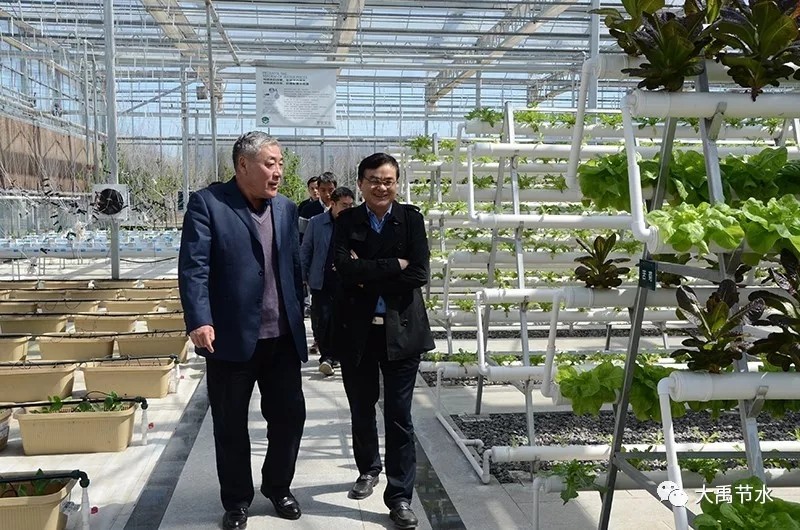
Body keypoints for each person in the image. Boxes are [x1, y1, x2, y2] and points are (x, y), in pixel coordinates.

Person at [178, 131, 307, 529]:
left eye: (280, 163)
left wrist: (303, 316)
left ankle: (278, 486)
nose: (278, 172)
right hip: (231, 337)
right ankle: (236, 500)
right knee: (230, 424)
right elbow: (194, 267)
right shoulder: (209, 204)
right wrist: (199, 318)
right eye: (270, 163)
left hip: (281, 337)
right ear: (243, 165)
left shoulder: (285, 208)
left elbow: (293, 268)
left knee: (290, 417)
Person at [333, 153, 434, 529]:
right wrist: (394, 265)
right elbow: (343, 270)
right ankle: (368, 470)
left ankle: (400, 496)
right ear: (360, 183)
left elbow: (419, 273)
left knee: (399, 415)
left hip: (402, 331)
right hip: (358, 332)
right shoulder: (347, 221)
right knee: (361, 407)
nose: (381, 187)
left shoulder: (410, 219)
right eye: (374, 180)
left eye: (388, 181)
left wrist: (366, 274)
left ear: (397, 184)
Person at [300, 186, 355, 376]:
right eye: (344, 205)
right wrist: (302, 277)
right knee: (322, 320)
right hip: (321, 280)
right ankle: (327, 357)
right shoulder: (316, 223)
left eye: (351, 205)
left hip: (346, 281)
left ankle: (336, 355)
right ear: (333, 204)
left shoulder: (355, 224)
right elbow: (306, 250)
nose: (348, 209)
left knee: (342, 320)